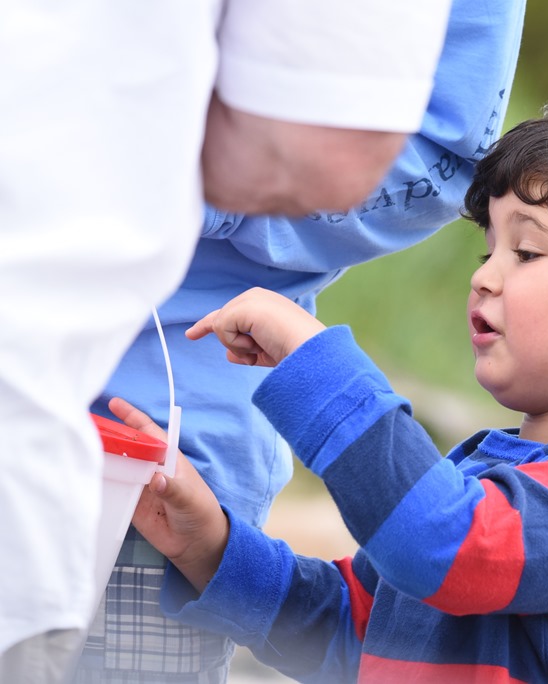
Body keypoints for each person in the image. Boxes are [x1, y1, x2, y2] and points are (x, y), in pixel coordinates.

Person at [121, 75, 548, 682]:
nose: (485, 277)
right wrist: (212, 545)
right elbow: (349, 632)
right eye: (489, 251)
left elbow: (443, 544)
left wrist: (317, 364)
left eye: (527, 251)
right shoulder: (483, 478)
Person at [0, 2, 454, 682]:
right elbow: (428, 570)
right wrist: (317, 368)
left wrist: (214, 547)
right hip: (92, 474)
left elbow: (404, 593)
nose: (488, 282)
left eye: (526, 252)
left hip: (140, 486)